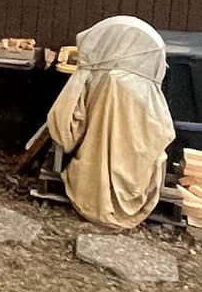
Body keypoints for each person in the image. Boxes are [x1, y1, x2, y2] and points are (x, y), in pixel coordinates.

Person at [47, 16, 176, 229]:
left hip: (93, 165)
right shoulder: (146, 87)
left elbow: (66, 125)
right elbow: (160, 131)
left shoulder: (101, 78)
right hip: (136, 166)